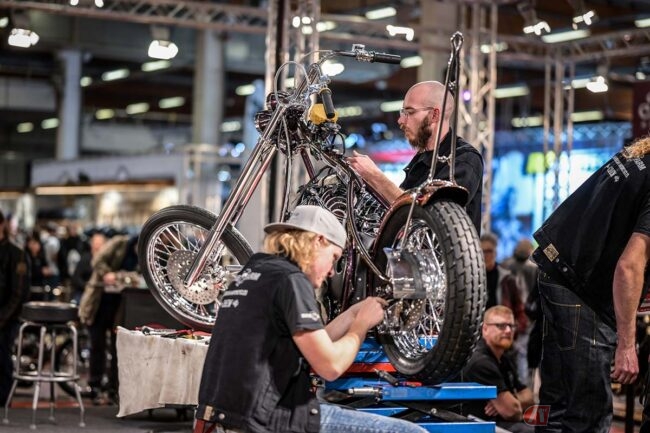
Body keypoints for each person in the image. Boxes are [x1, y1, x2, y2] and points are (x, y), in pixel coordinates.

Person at [195, 205, 428, 433]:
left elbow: (313, 344)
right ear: (318, 241)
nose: (332, 271)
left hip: (226, 417)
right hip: (268, 420)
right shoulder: (292, 281)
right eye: (334, 257)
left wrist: (353, 314)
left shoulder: (256, 274)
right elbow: (330, 366)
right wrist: (361, 325)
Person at [531, 136, 650, 432]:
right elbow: (629, 266)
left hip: (555, 268)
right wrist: (626, 345)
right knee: (589, 411)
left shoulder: (640, 157)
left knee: (555, 402)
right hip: (582, 289)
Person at [347, 80, 483, 232]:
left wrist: (376, 177)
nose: (401, 120)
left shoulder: (464, 159)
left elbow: (428, 220)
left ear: (434, 115)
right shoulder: (422, 159)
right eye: (402, 113)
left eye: (410, 112)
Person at [79, 233, 140, 405]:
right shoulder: (119, 243)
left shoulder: (145, 254)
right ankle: (95, 386)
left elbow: (138, 277)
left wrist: (121, 278)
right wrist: (108, 274)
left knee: (118, 349)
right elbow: (97, 262)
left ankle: (114, 388)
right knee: (97, 346)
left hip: (120, 307)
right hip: (99, 303)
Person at [461, 306, 535, 433]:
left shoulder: (503, 357)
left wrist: (512, 400)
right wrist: (510, 404)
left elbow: (529, 397)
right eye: (501, 326)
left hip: (497, 421)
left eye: (511, 326)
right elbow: (512, 412)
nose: (508, 330)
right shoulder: (481, 362)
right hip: (476, 425)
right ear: (485, 329)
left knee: (549, 423)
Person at [0, 210, 30, 407]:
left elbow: (19, 293)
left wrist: (2, 318)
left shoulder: (17, 254)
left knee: (2, 360)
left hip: (7, 319)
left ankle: (4, 403)